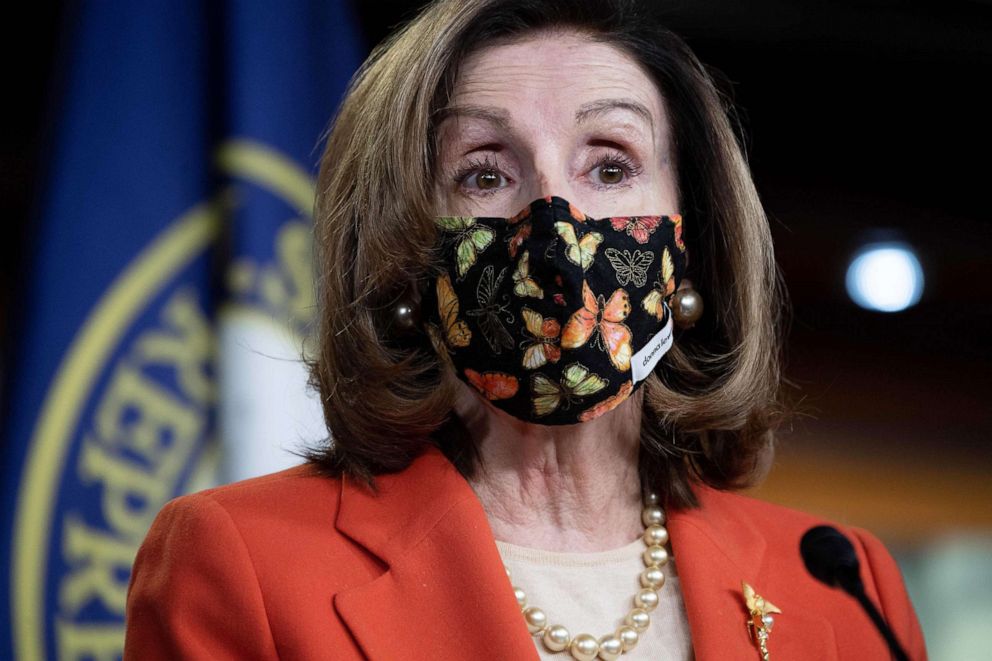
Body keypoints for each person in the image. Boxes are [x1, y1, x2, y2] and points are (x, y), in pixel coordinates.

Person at [122, 0, 928, 659]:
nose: (553, 223)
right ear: (403, 254)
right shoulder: (243, 562)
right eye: (484, 173)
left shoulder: (841, 582)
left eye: (609, 166)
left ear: (692, 241)